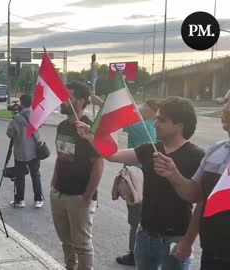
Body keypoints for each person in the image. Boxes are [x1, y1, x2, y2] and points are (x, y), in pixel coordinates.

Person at [77, 96, 205, 270]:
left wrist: (188, 242)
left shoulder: (196, 156)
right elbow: (111, 155)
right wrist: (90, 137)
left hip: (175, 238)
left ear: (179, 124)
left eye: (161, 120)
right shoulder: (149, 149)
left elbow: (199, 199)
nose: (154, 124)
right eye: (155, 118)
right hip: (145, 234)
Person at [153, 89, 230, 270]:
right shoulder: (215, 151)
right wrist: (174, 175)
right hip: (212, 253)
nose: (225, 108)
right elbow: (197, 196)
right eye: (225, 101)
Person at [92, 97, 158, 266]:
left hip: (135, 178)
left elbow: (117, 119)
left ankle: (134, 254)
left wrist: (100, 103)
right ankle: (149, 253)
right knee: (146, 217)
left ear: (152, 110)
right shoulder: (154, 127)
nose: (141, 108)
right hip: (150, 177)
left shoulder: (140, 126)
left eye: (144, 106)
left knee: (135, 219)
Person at [50, 81, 104, 270]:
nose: (62, 101)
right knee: (66, 242)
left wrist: (88, 196)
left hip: (79, 196)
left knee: (82, 245)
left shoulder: (89, 129)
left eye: (68, 97)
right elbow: (60, 156)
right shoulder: (62, 126)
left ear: (81, 101)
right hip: (59, 193)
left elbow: (98, 163)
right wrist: (54, 185)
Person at [6, 94, 44, 208]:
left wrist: (15, 118)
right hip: (35, 151)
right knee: (35, 175)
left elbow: (10, 133)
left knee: (20, 177)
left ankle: (20, 200)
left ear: (21, 103)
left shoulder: (18, 118)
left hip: (21, 152)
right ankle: (38, 200)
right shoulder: (37, 115)